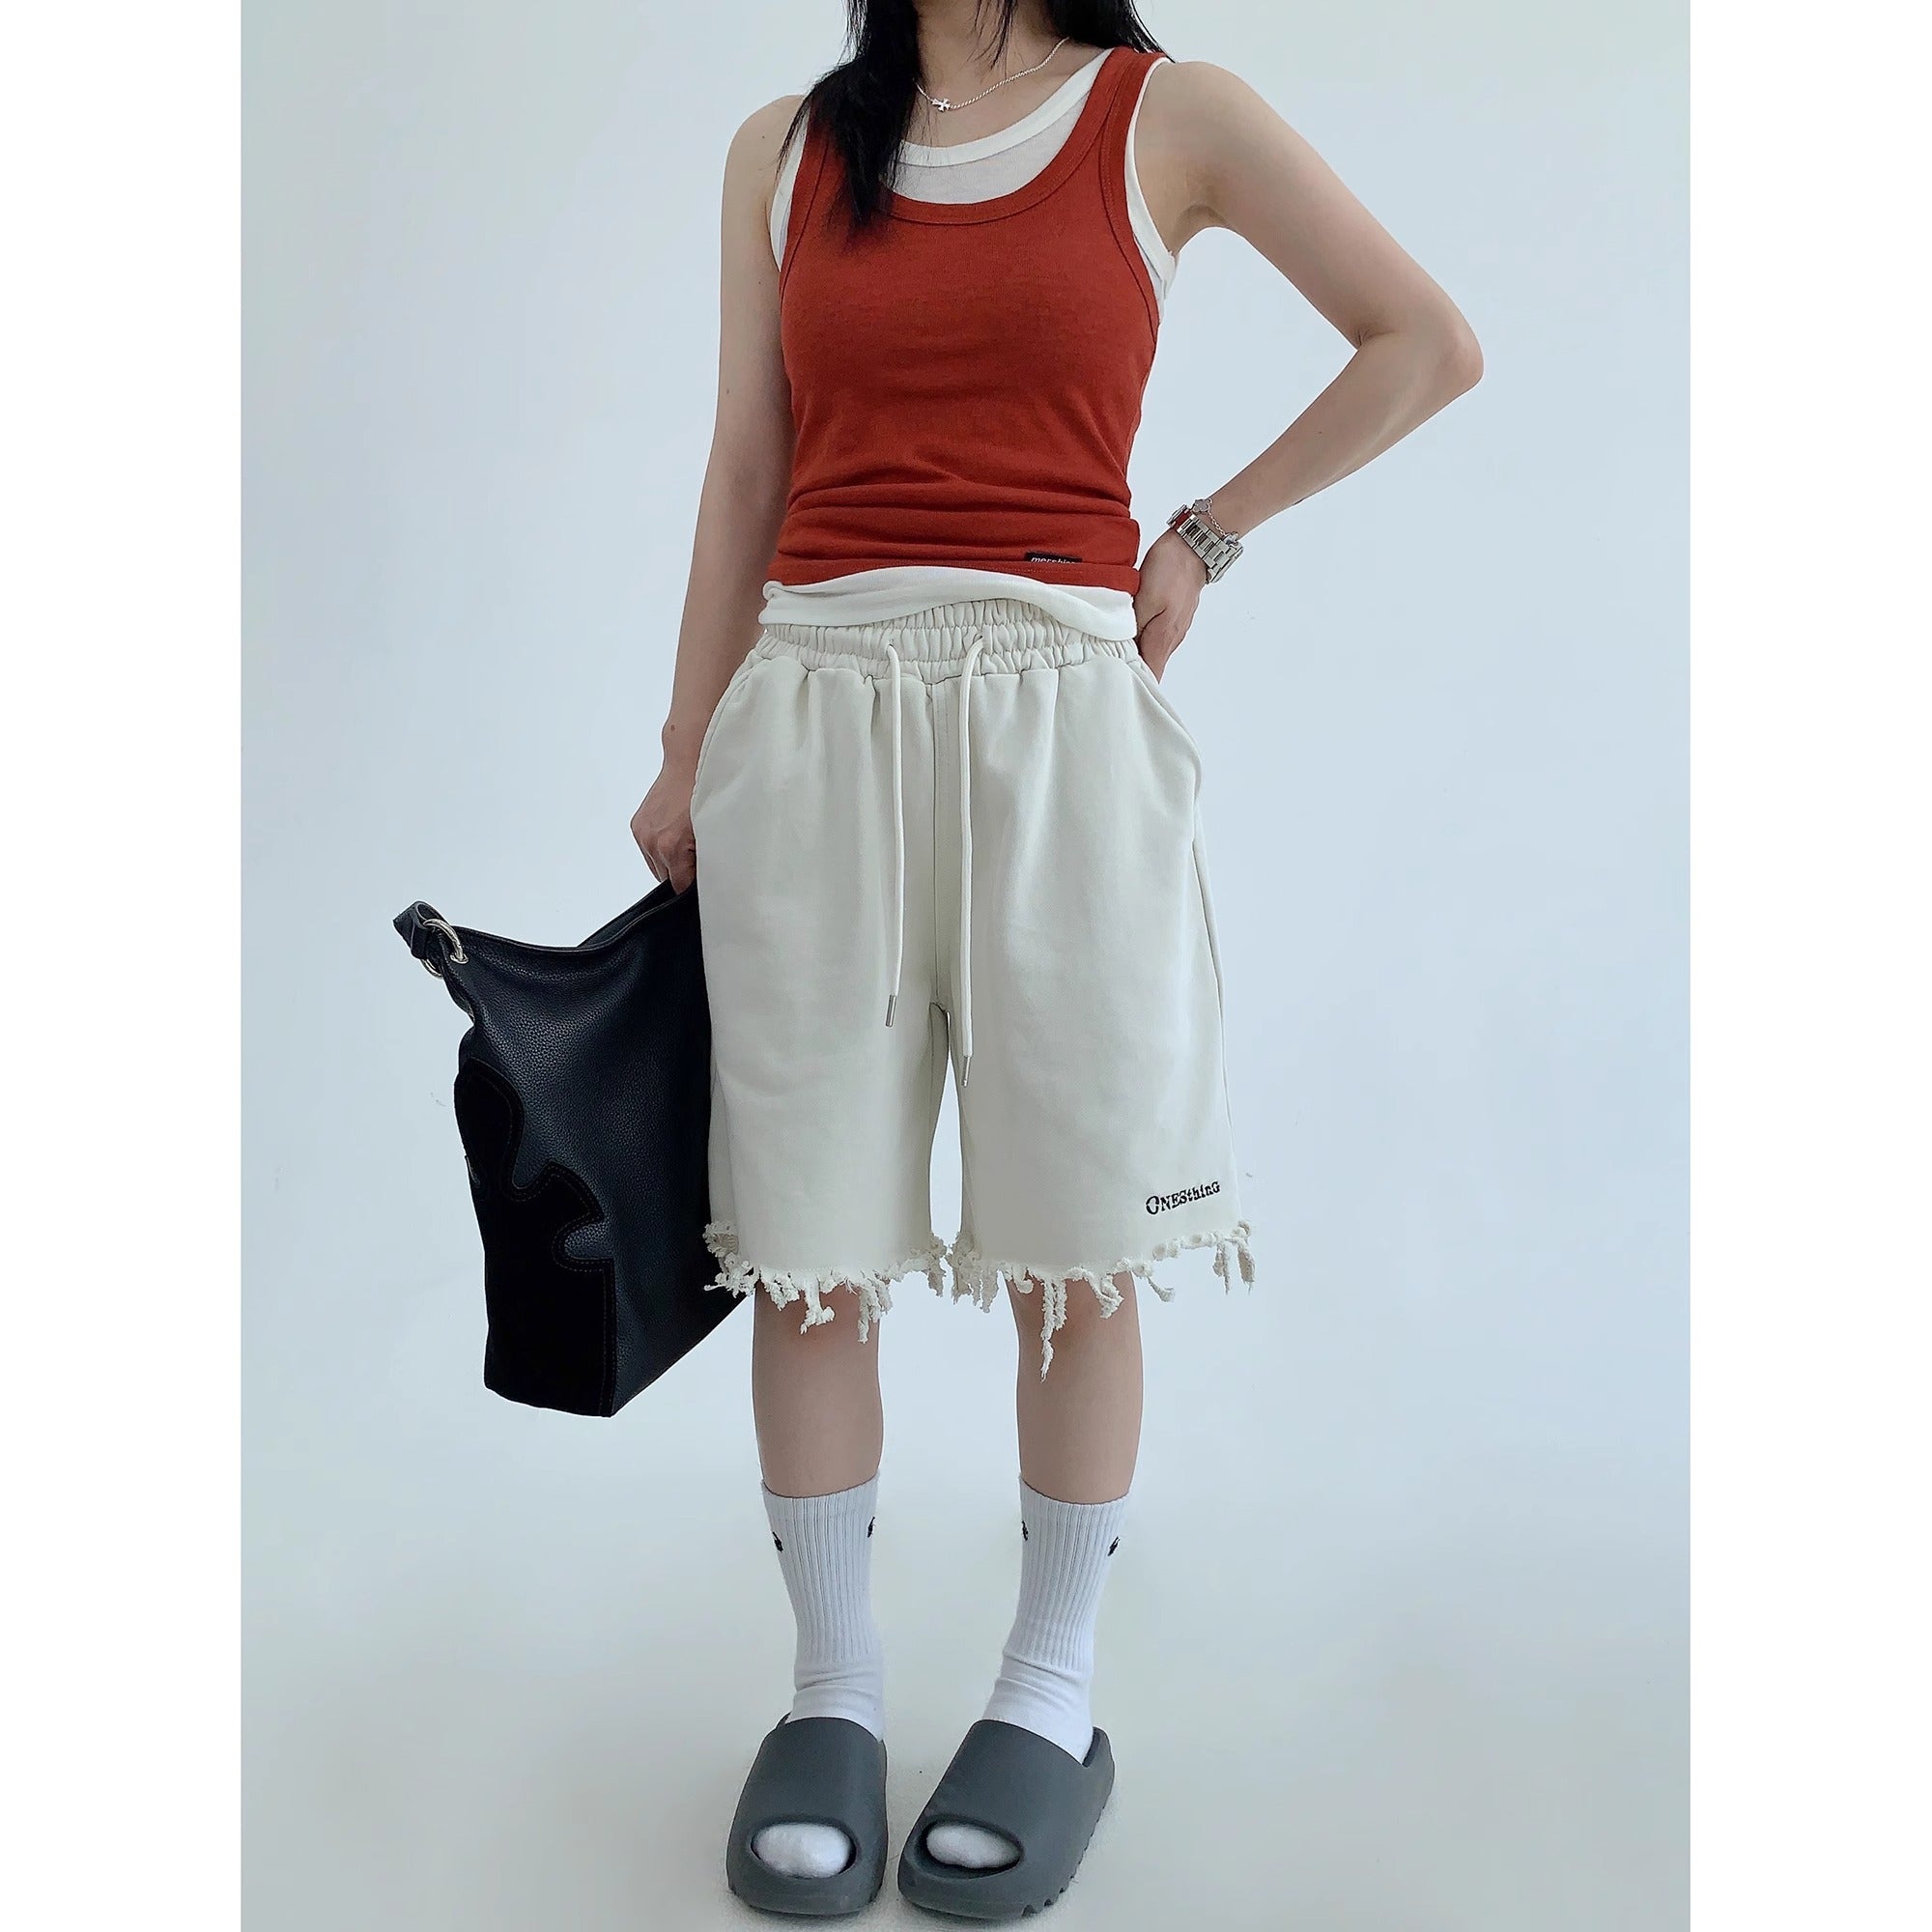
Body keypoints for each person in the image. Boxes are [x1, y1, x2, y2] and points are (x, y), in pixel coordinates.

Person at [630, 1, 1480, 1916]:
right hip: (814, 717)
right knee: (807, 1243)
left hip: (1059, 727)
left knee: (1078, 1241)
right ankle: (832, 1693)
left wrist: (1208, 536)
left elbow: (1423, 339)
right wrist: (687, 743)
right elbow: (748, 460)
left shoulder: (1169, 116)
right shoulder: (788, 146)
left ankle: (1047, 1693)